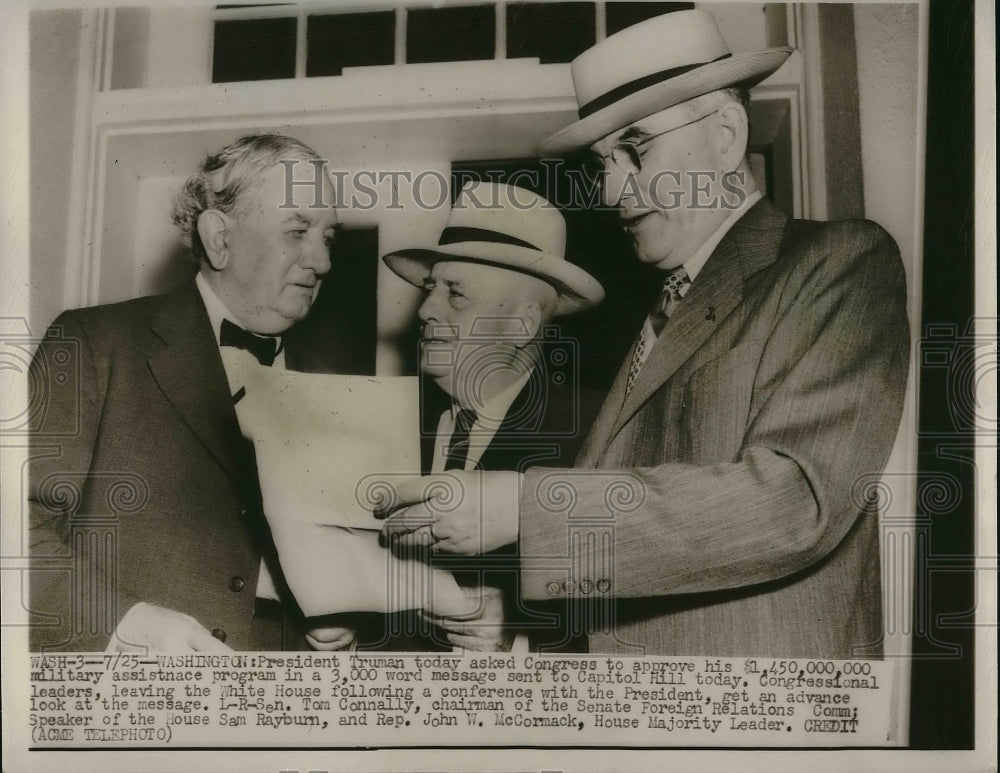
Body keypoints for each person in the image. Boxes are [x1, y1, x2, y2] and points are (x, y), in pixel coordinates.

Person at [381, 10, 910, 659]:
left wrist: (522, 507)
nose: (610, 188)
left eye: (636, 149)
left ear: (725, 134)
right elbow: (631, 550)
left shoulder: (838, 261)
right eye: (602, 161)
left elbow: (797, 499)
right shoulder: (658, 314)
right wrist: (515, 630)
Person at [28, 133, 345, 652]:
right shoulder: (92, 344)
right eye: (297, 231)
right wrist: (125, 623)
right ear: (220, 238)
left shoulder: (333, 385)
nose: (323, 261)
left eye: (328, 237)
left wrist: (345, 621)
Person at [382, 181, 604, 651]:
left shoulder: (598, 432)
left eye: (455, 293)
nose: (425, 309)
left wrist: (525, 632)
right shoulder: (388, 422)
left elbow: (635, 607)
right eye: (430, 288)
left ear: (523, 323)